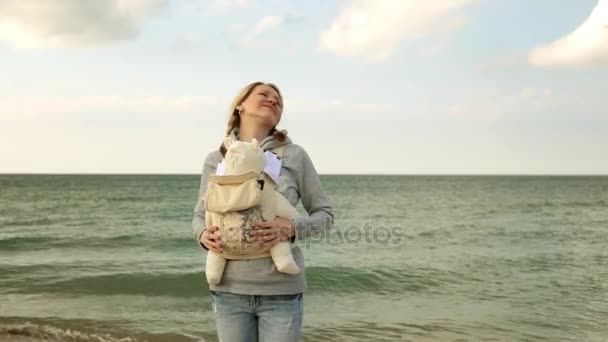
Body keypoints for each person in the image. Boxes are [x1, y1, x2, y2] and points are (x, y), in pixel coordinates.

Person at [192, 81, 334, 342]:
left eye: (278, 99)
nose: (273, 99)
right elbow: (200, 215)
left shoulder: (294, 155)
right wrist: (203, 235)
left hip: (281, 291)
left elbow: (324, 215)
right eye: (264, 94)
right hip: (228, 291)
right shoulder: (216, 159)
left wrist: (291, 229)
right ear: (240, 105)